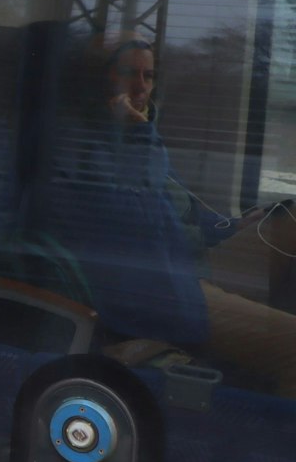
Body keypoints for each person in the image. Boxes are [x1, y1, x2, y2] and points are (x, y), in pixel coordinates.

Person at [45, 37, 296, 396]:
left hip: (191, 260)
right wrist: (140, 137)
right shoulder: (84, 149)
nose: (140, 87)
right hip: (170, 287)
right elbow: (141, 228)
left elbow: (180, 211)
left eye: (148, 76)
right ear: (101, 80)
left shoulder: (141, 140)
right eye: (129, 73)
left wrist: (229, 227)